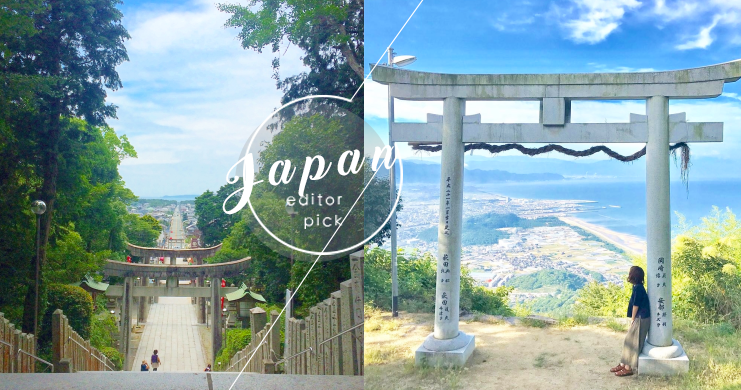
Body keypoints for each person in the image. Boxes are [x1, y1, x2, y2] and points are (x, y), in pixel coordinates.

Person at [611, 266, 650, 377]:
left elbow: (636, 305)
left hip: (641, 318)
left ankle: (628, 368)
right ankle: (623, 364)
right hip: (641, 317)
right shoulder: (637, 287)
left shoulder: (638, 288)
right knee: (628, 341)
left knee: (633, 342)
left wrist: (632, 319)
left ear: (633, 275)